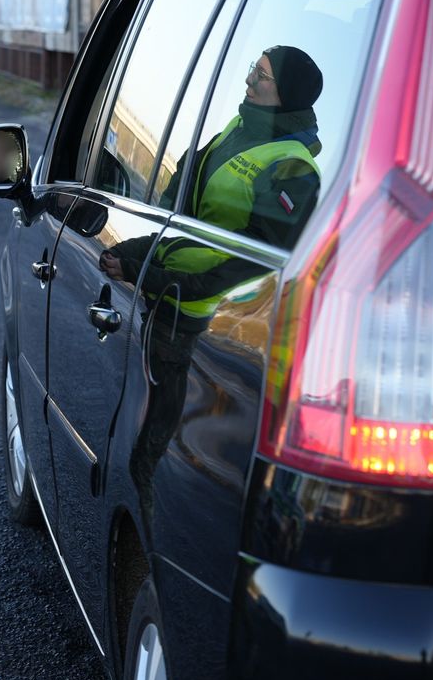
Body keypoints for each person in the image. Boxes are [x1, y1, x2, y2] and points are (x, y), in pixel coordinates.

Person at [99, 45, 324, 520]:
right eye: (252, 69)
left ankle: (154, 553)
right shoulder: (236, 131)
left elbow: (251, 266)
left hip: (205, 330)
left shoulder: (293, 167)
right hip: (167, 304)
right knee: (145, 445)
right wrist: (134, 252)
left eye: (260, 76)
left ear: (286, 95)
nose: (248, 81)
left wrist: (150, 274)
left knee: (159, 463)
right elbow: (181, 217)